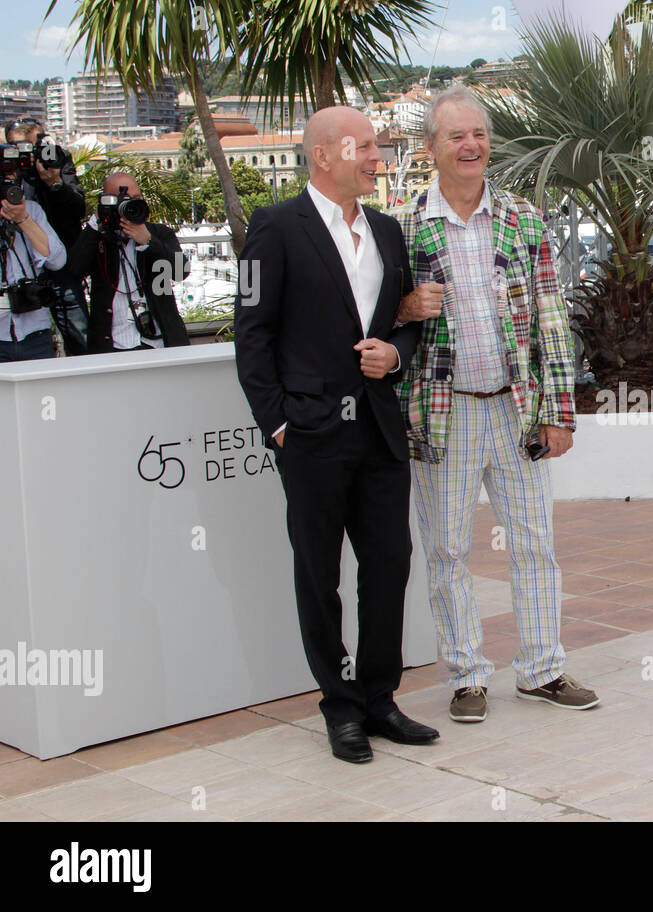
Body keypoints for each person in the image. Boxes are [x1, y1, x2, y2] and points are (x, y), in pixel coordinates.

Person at [234, 106, 438, 764]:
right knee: (318, 575)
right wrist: (279, 423)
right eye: (368, 146)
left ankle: (379, 697)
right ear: (325, 155)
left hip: (380, 429)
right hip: (313, 433)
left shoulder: (386, 229)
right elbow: (251, 334)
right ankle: (340, 705)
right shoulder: (273, 227)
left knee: (389, 564)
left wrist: (397, 353)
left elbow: (404, 319)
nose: (379, 156)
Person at [391, 86, 596, 724]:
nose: (471, 145)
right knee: (448, 551)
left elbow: (551, 319)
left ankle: (541, 670)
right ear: (431, 148)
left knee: (535, 544)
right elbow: (376, 320)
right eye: (456, 136)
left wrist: (560, 410)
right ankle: (467, 676)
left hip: (516, 411)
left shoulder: (522, 219)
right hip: (441, 415)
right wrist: (403, 307)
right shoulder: (400, 227)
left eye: (478, 133)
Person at [67, 172, 190, 352]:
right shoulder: (98, 239)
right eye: (122, 199)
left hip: (159, 343)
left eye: (136, 198)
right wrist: (96, 224)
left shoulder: (159, 233)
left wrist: (148, 241)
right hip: (113, 345)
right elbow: (75, 270)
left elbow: (181, 271)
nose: (130, 204)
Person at [5, 118, 90, 355]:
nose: (28, 154)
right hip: (22, 267)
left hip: (60, 260)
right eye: (19, 148)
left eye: (32, 146)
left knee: (80, 335)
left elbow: (78, 209)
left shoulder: (56, 160)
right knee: (25, 337)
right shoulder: (9, 168)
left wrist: (54, 182)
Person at [0, 190, 64, 362]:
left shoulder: (31, 210)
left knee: (44, 389)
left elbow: (57, 261)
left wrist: (23, 219)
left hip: (35, 333)